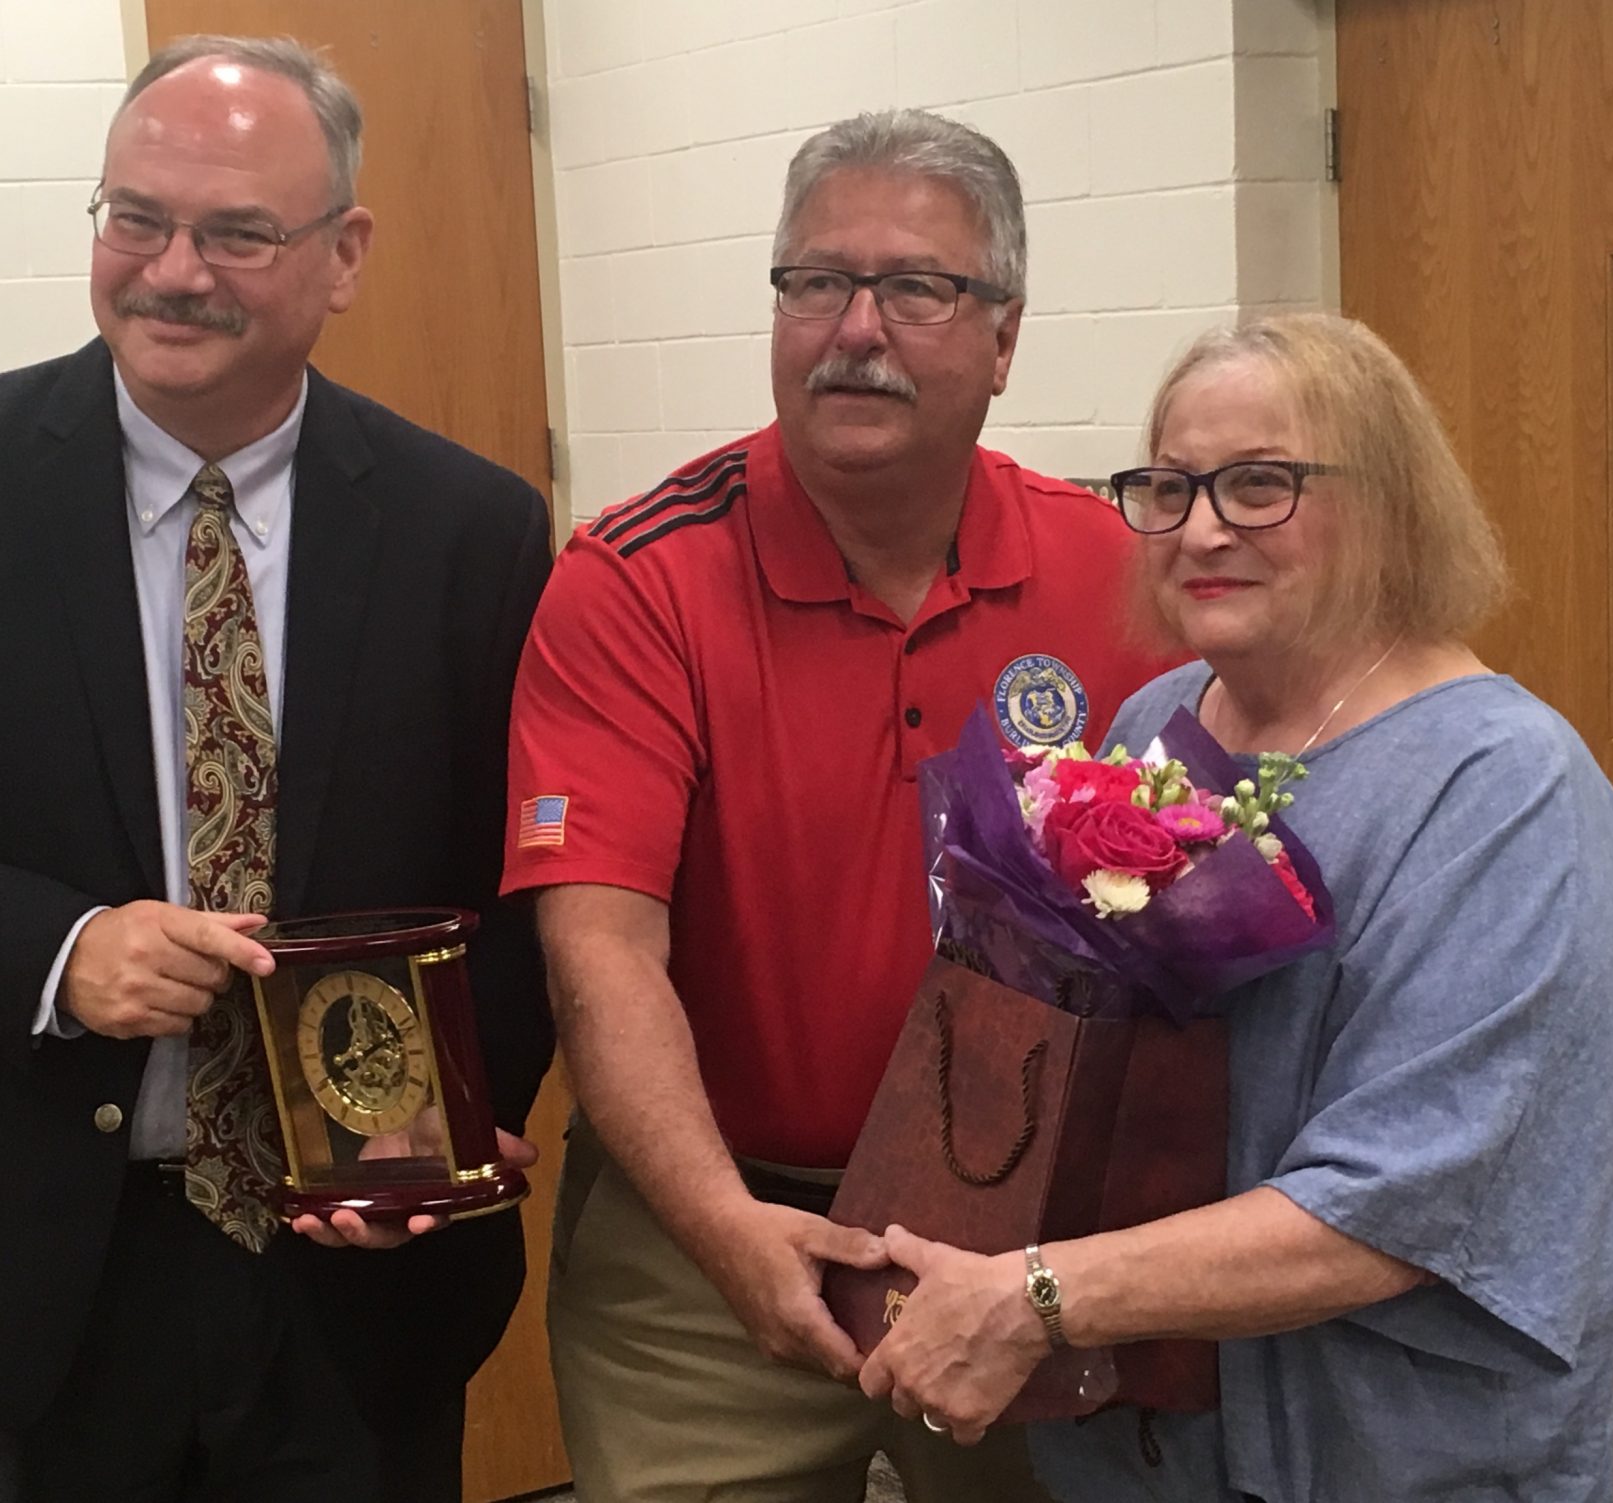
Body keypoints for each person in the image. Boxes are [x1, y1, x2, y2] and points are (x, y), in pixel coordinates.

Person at [0, 34, 554, 1503]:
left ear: (344, 253)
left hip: (352, 1285)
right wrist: (58, 946)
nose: (175, 270)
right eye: (136, 218)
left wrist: (448, 1134)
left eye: (239, 231)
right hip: (18, 1263)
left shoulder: (469, 527)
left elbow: (524, 878)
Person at [857, 312, 1613, 1502]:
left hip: (1381, 1448)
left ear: (1387, 503)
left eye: (1260, 483)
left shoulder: (1502, 790)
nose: (1202, 528)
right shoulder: (1162, 722)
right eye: (1168, 488)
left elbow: (1401, 1200)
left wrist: (1035, 1297)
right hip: (1145, 1433)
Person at [500, 109, 1173, 1501]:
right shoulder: (637, 577)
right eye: (816, 281)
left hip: (1025, 1239)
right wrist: (723, 1224)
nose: (855, 326)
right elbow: (601, 949)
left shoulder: (1114, 569)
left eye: (916, 286)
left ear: (1004, 337)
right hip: (707, 1227)